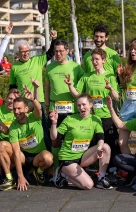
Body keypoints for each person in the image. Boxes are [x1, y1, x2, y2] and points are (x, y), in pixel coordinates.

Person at [64, 48, 120, 184]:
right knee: (94, 145)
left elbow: (117, 97)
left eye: (97, 59)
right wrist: (70, 85)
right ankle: (90, 171)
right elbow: (78, 94)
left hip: (106, 116)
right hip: (91, 118)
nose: (94, 62)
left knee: (110, 144)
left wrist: (111, 89)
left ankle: (110, 172)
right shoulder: (86, 76)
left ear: (104, 60)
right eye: (93, 59)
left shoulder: (110, 76)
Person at [49, 93, 113, 190]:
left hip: (82, 157)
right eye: (79, 105)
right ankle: (63, 173)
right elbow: (54, 137)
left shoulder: (96, 119)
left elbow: (100, 137)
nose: (81, 107)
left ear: (91, 105)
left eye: (84, 104)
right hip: (68, 158)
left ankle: (101, 178)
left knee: (105, 147)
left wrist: (99, 148)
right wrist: (54, 123)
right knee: (88, 185)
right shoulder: (70, 119)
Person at [10, 30, 57, 152]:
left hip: (37, 102)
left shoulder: (37, 60)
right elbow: (12, 87)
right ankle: (28, 159)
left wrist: (54, 39)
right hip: (22, 105)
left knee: (43, 131)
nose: (25, 54)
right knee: (25, 133)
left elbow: (51, 52)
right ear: (17, 53)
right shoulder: (14, 67)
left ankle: (48, 159)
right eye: (22, 52)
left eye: (27, 51)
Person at [45, 40, 84, 181]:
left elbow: (80, 90)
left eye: (61, 51)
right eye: (56, 51)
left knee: (70, 140)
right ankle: (57, 170)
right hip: (55, 109)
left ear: (67, 51)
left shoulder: (76, 68)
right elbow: (47, 87)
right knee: (55, 140)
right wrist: (48, 104)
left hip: (71, 109)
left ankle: (72, 171)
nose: (58, 54)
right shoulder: (50, 68)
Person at [5, 88, 53, 191]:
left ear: (26, 109)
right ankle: (12, 177)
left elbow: (39, 109)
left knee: (48, 158)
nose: (16, 112)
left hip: (37, 157)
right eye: (14, 109)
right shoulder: (13, 127)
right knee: (7, 150)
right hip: (24, 157)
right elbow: (17, 153)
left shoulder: (34, 117)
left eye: (19, 108)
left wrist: (33, 99)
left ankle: (38, 172)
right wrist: (20, 177)